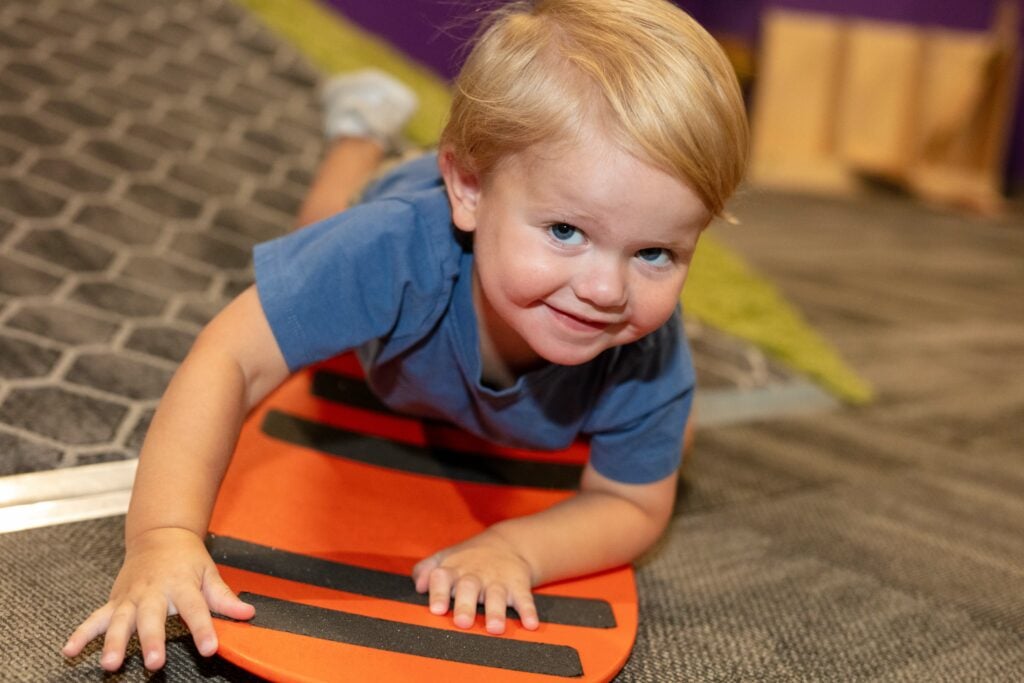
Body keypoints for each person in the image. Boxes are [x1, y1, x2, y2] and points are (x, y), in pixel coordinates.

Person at [62, 0, 748, 672]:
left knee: (670, 435)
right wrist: (163, 535)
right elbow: (229, 355)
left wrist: (518, 548)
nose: (607, 290)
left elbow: (631, 503)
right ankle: (359, 131)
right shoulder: (393, 249)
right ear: (470, 190)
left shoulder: (648, 357)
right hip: (398, 205)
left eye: (656, 252)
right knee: (319, 230)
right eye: (566, 232)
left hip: (472, 195)